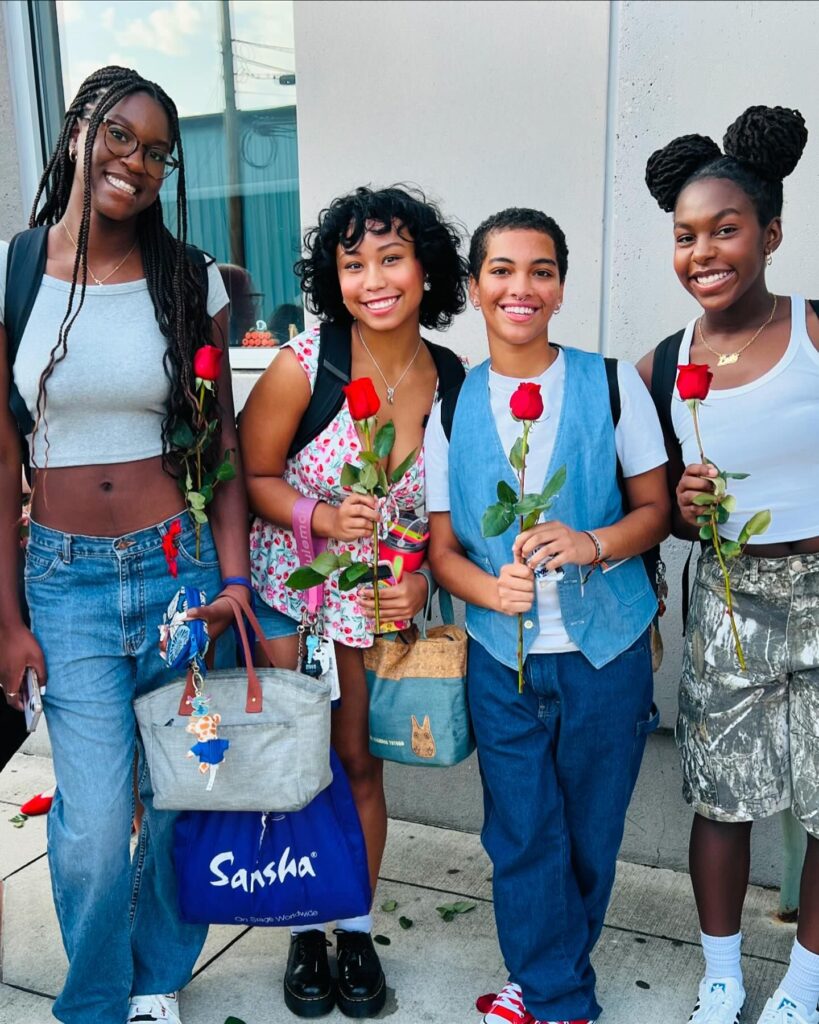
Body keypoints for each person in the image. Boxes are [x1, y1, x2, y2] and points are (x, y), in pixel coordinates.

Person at [0, 66, 250, 1024]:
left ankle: (155, 981)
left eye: (155, 152)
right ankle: (94, 997)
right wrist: (9, 619)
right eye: (119, 137)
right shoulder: (15, 272)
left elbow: (219, 448)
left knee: (185, 792)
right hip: (63, 581)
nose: (135, 162)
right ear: (77, 133)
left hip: (175, 569)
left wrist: (230, 579)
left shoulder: (189, 282)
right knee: (97, 825)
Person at [426, 207, 670, 1024]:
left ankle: (541, 981)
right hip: (503, 658)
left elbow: (654, 511)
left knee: (589, 833)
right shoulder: (451, 404)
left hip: (607, 651)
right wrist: (484, 590)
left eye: (539, 270)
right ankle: (560, 999)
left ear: (560, 286)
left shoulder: (608, 383)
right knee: (522, 833)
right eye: (500, 270)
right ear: (473, 287)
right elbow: (442, 547)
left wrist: (592, 541)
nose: (519, 287)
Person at [239, 185, 467, 1018]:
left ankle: (356, 925)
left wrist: (423, 579)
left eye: (391, 257)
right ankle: (304, 927)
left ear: (425, 269)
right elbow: (250, 475)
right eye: (352, 262)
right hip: (288, 600)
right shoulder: (306, 365)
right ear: (332, 278)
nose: (373, 278)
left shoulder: (450, 379)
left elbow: (451, 513)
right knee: (298, 771)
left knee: (360, 764)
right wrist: (320, 514)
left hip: (374, 610)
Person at [639, 105, 819, 1024]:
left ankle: (806, 983)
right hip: (728, 599)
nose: (702, 251)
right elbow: (641, 497)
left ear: (771, 233)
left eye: (724, 229)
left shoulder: (815, 329)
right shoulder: (662, 364)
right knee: (723, 796)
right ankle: (719, 974)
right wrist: (677, 507)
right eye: (684, 236)